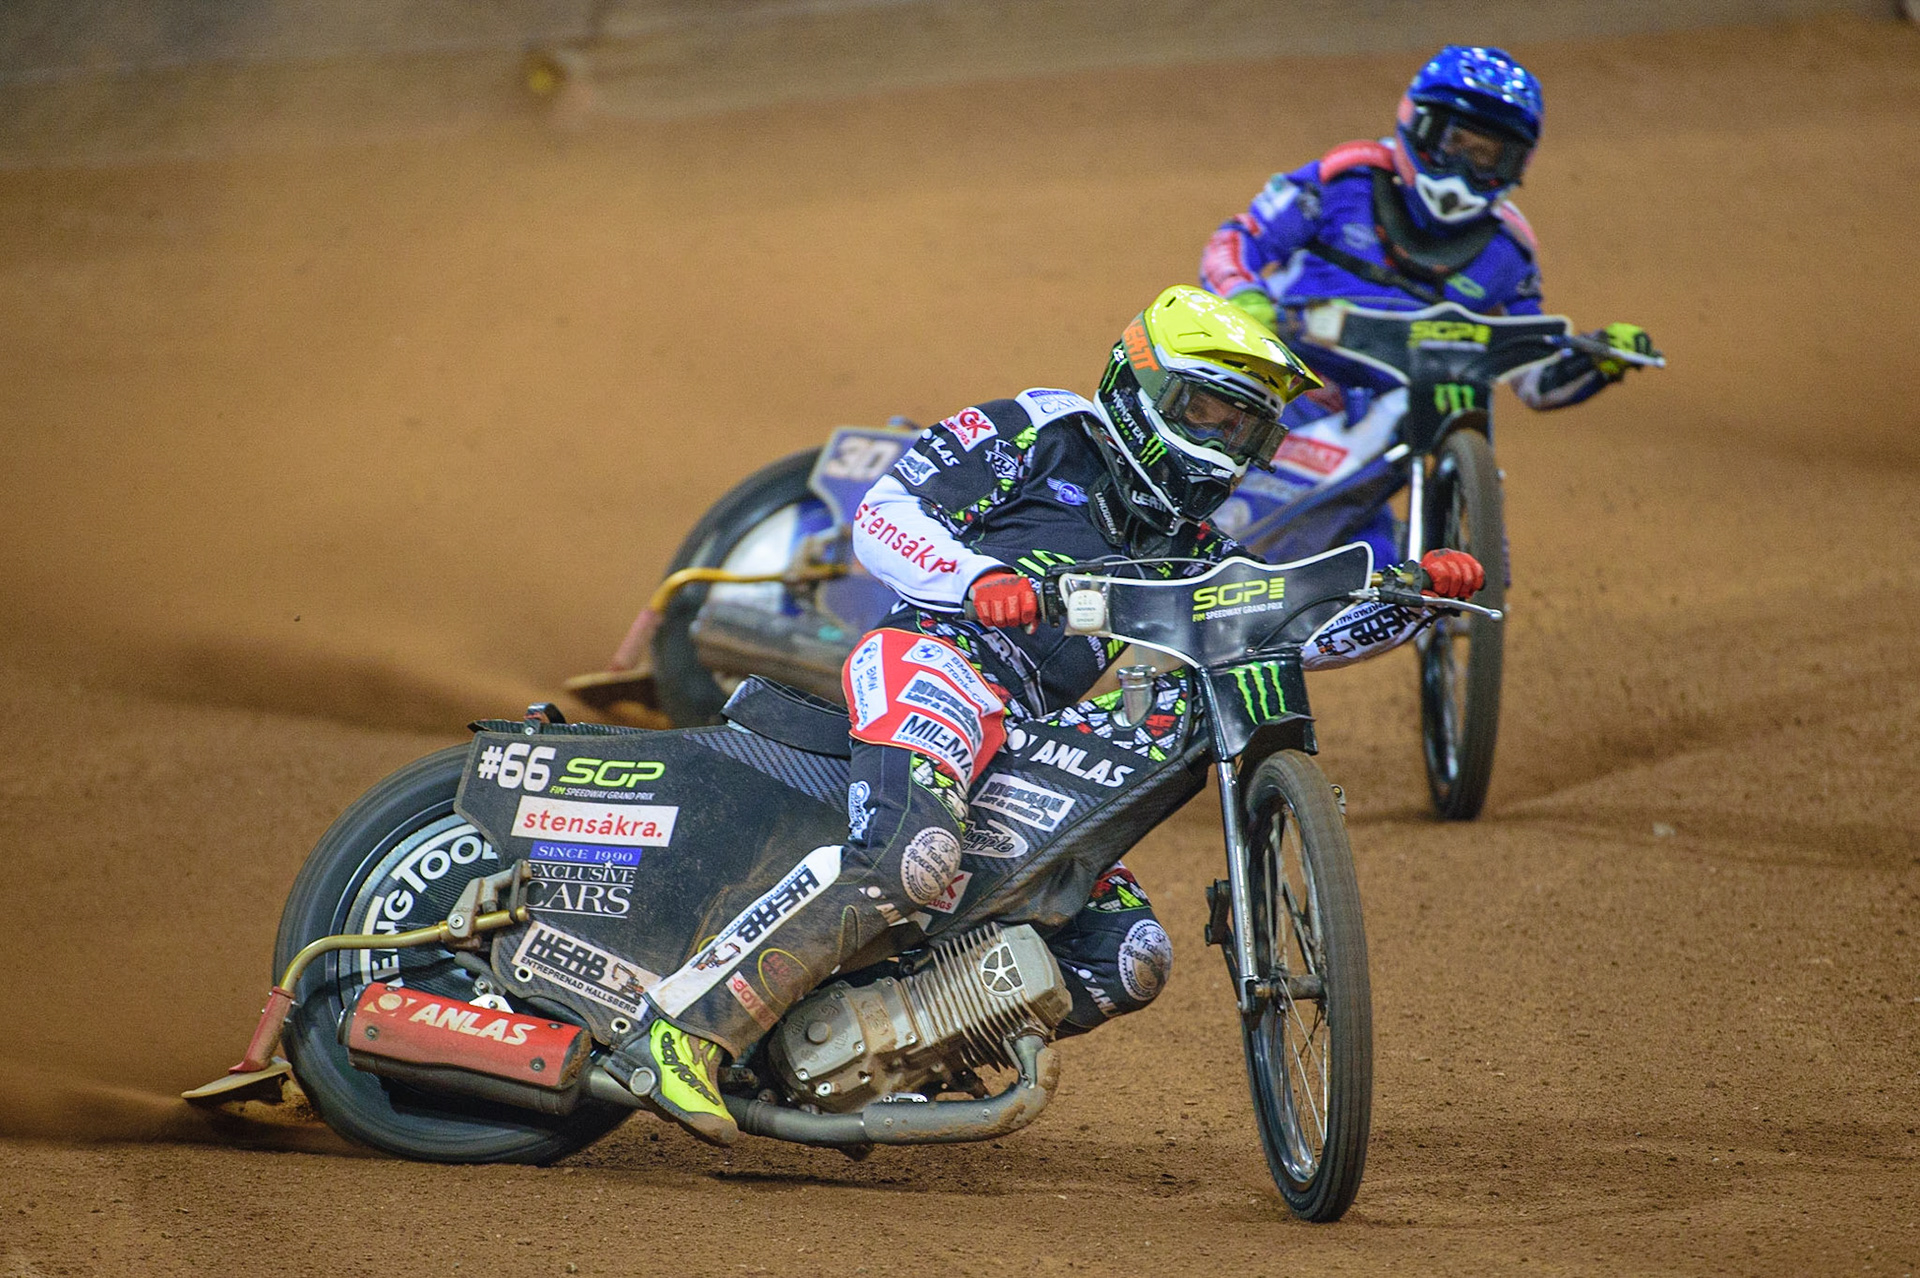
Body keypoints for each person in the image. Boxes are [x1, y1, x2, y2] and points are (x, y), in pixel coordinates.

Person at [619, 285, 1487, 1144]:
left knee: (1125, 954)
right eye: (1207, 413)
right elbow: (886, 515)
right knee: (911, 853)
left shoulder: (1190, 546)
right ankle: (684, 1030)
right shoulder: (1040, 430)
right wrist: (974, 582)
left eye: (1244, 430)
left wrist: (1413, 600)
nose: (1222, 445)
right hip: (936, 659)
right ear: (1141, 387)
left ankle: (884, 1054)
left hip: (1028, 727)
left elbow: (1295, 629)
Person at [1199, 44, 1656, 564]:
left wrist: (1595, 361)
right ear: (1416, 125)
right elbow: (1239, 239)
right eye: (1454, 141)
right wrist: (1245, 297)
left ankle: (1458, 558)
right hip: (1286, 385)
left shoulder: (1509, 250)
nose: (1464, 168)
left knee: (1380, 560)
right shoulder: (1345, 179)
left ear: (1516, 163)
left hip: (1397, 418)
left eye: (1487, 156)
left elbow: (1534, 375)